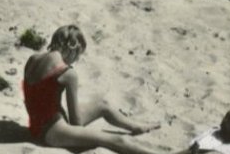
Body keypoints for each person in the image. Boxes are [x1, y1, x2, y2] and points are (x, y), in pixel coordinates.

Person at [22, 25, 183, 154]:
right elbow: (76, 122)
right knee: (114, 140)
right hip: (51, 132)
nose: (76, 60)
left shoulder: (32, 59)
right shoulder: (67, 73)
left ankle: (136, 126)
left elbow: (37, 96)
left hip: (36, 126)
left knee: (102, 104)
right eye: (78, 55)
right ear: (73, 49)